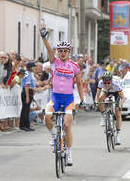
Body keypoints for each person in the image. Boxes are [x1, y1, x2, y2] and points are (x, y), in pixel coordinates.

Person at [40, 24, 85, 166]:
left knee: (67, 125)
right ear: (58, 52)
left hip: (68, 100)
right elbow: (48, 49)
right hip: (55, 98)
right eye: (60, 51)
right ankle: (53, 134)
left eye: (65, 51)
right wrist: (44, 37)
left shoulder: (74, 66)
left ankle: (69, 153)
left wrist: (82, 100)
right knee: (47, 116)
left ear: (69, 52)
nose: (63, 53)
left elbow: (79, 84)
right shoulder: (54, 62)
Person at [95, 71, 125, 145]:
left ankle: (118, 135)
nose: (106, 84)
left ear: (111, 81)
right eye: (105, 83)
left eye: (108, 83)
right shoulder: (101, 83)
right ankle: (104, 116)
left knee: (118, 112)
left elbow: (123, 98)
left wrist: (120, 105)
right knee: (100, 100)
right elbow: (97, 95)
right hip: (107, 92)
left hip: (116, 93)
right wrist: (96, 102)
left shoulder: (116, 84)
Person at [19, 62, 37, 132]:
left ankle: (25, 125)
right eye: (33, 67)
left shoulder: (28, 73)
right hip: (27, 91)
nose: (35, 68)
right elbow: (26, 85)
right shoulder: (28, 74)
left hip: (29, 91)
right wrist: (27, 96)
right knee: (25, 109)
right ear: (30, 67)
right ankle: (24, 125)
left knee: (26, 109)